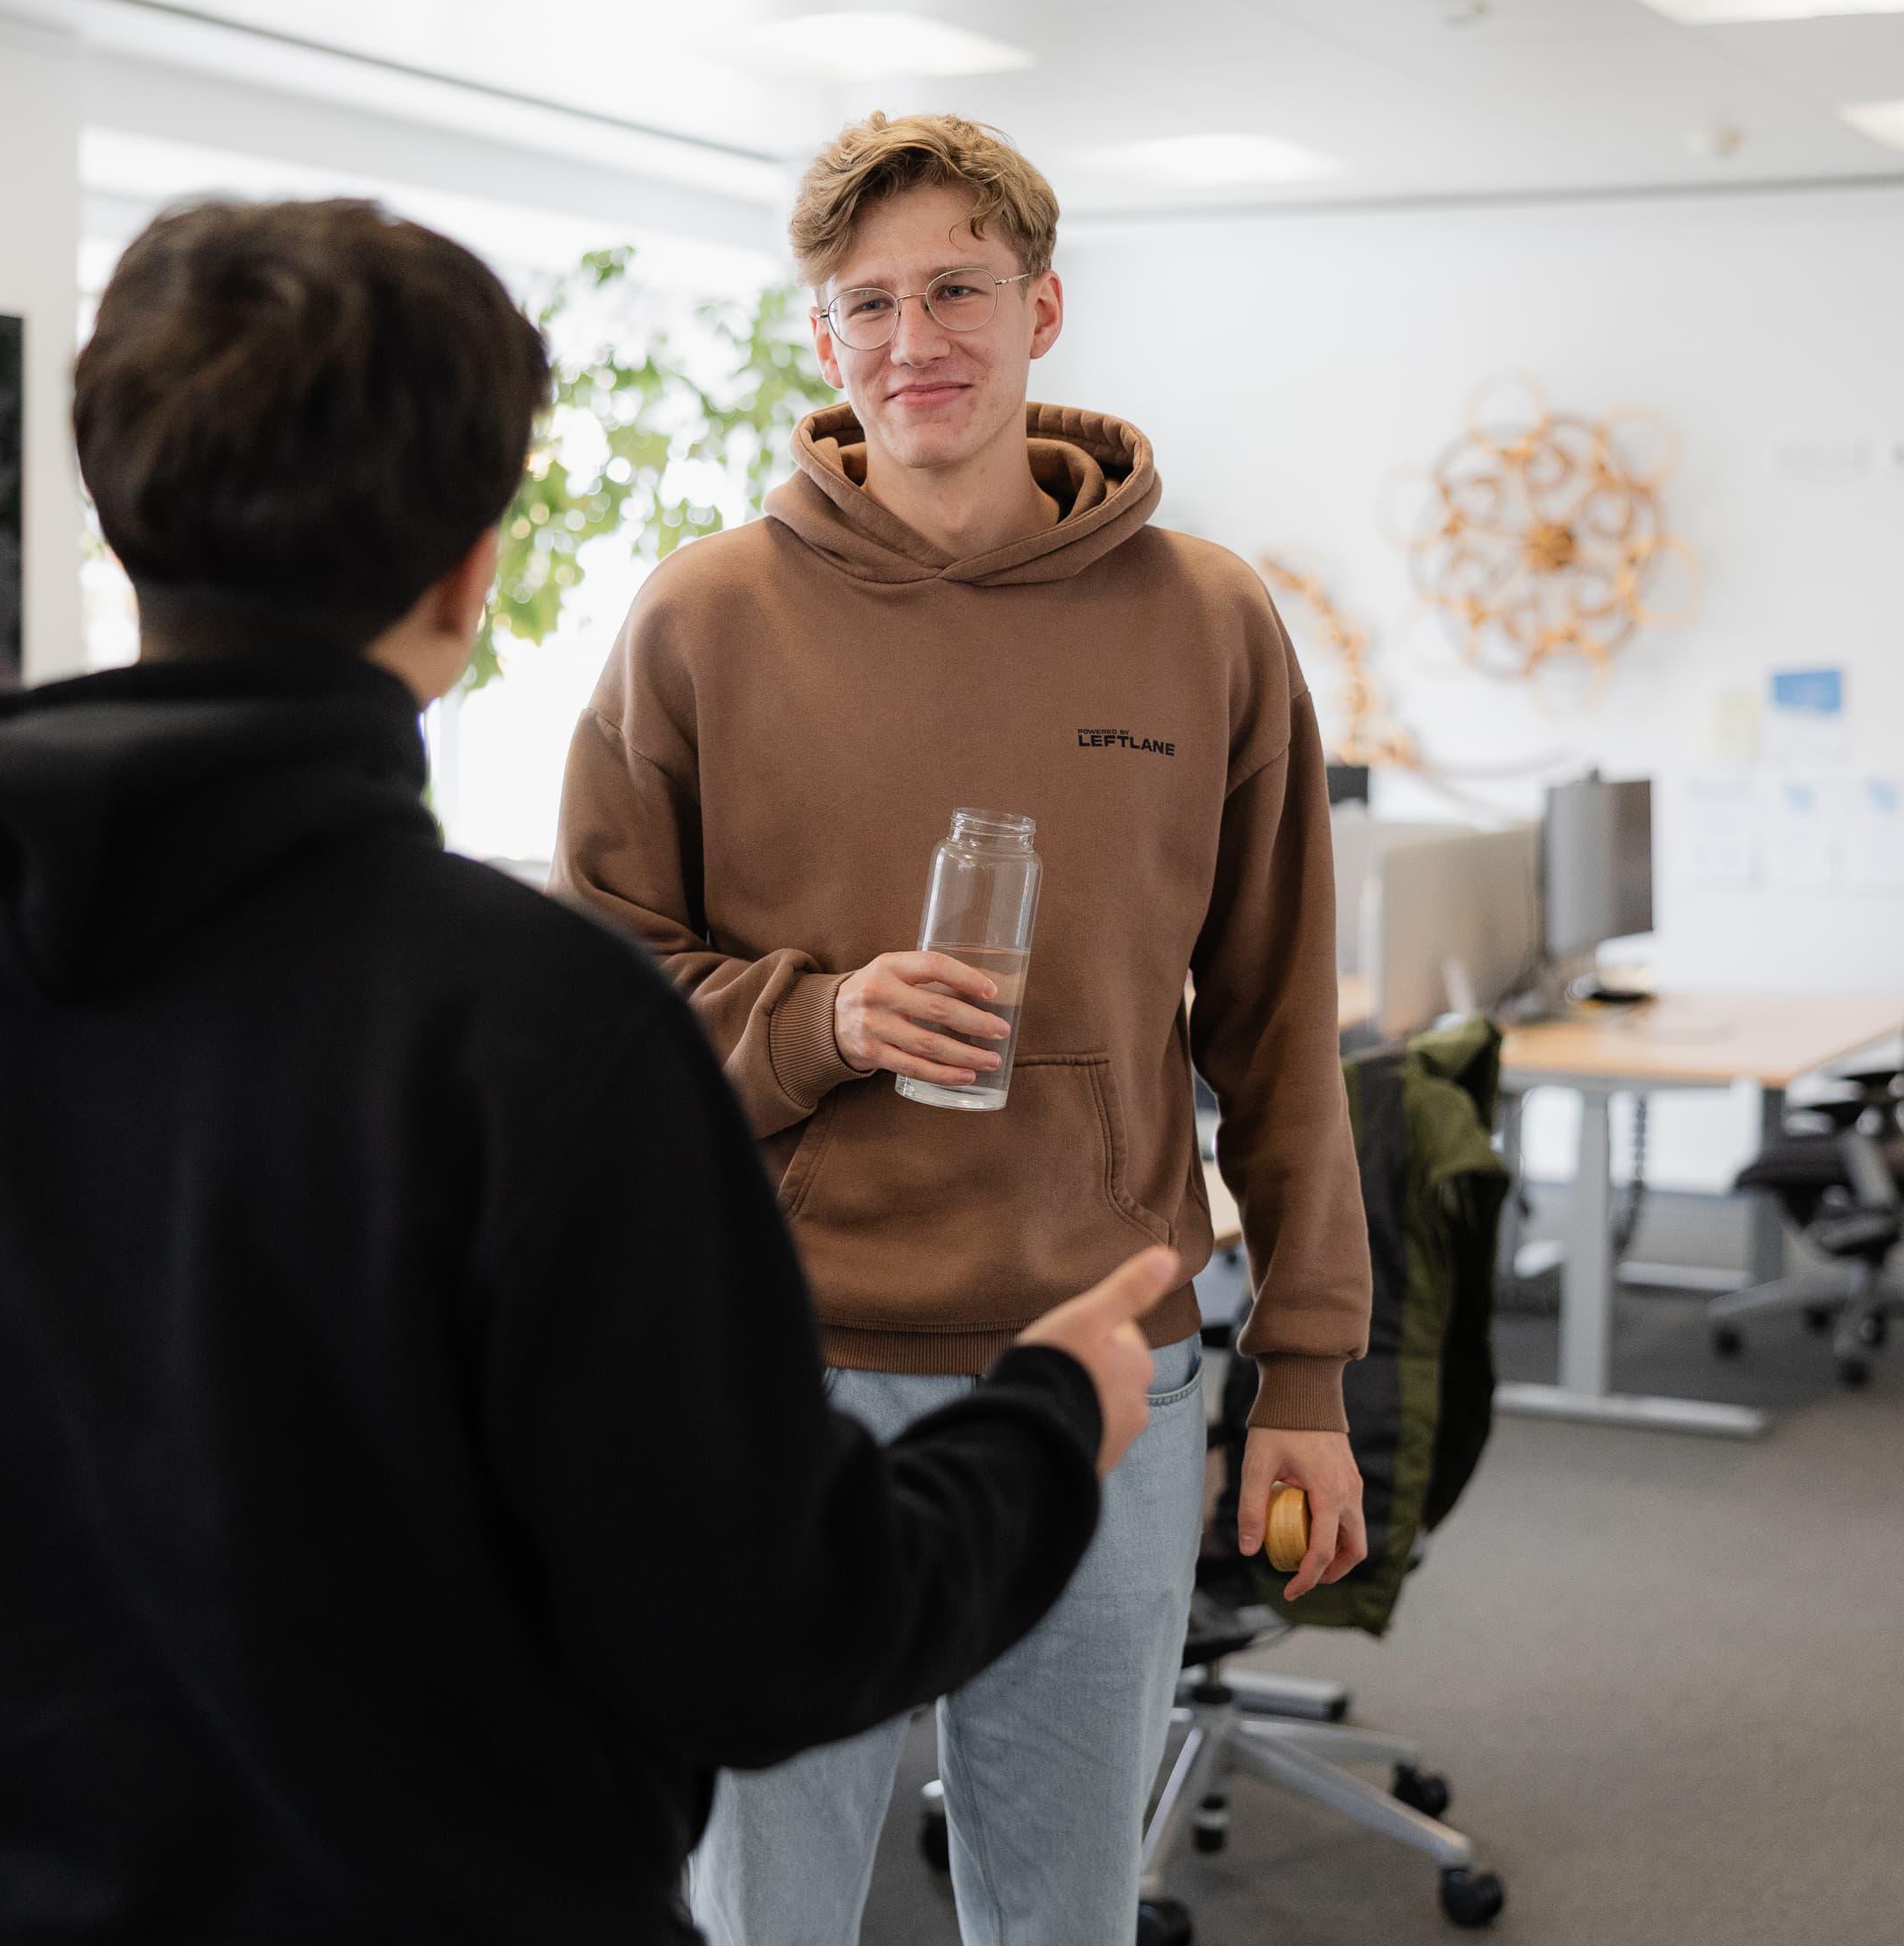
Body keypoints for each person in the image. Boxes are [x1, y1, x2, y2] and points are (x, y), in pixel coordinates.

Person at [0, 197, 1185, 1946]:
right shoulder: (529, 1030)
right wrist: (1049, 1415)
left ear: (121, 521)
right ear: (471, 571)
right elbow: (763, 1632)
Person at [554, 112, 1376, 1944]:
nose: (912, 337)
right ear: (823, 342)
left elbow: (1279, 1022)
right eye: (866, 304)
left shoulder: (1212, 621)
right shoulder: (700, 619)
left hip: (1105, 1368)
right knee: (765, 1909)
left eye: (956, 289)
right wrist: (823, 1015)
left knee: (1062, 1906)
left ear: (1044, 306)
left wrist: (1306, 1369)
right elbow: (593, 1024)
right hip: (783, 1371)